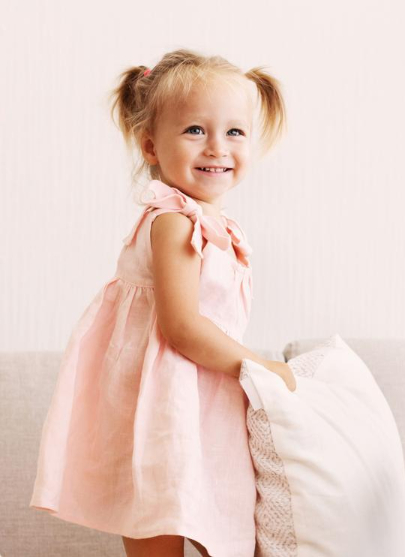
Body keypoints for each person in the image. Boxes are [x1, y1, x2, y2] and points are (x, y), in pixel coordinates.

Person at [30, 49, 292, 557]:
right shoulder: (174, 220)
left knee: (231, 531)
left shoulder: (209, 222)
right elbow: (182, 326)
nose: (216, 146)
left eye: (234, 132)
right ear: (151, 145)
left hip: (201, 402)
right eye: (195, 130)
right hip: (165, 409)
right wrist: (263, 366)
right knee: (164, 533)